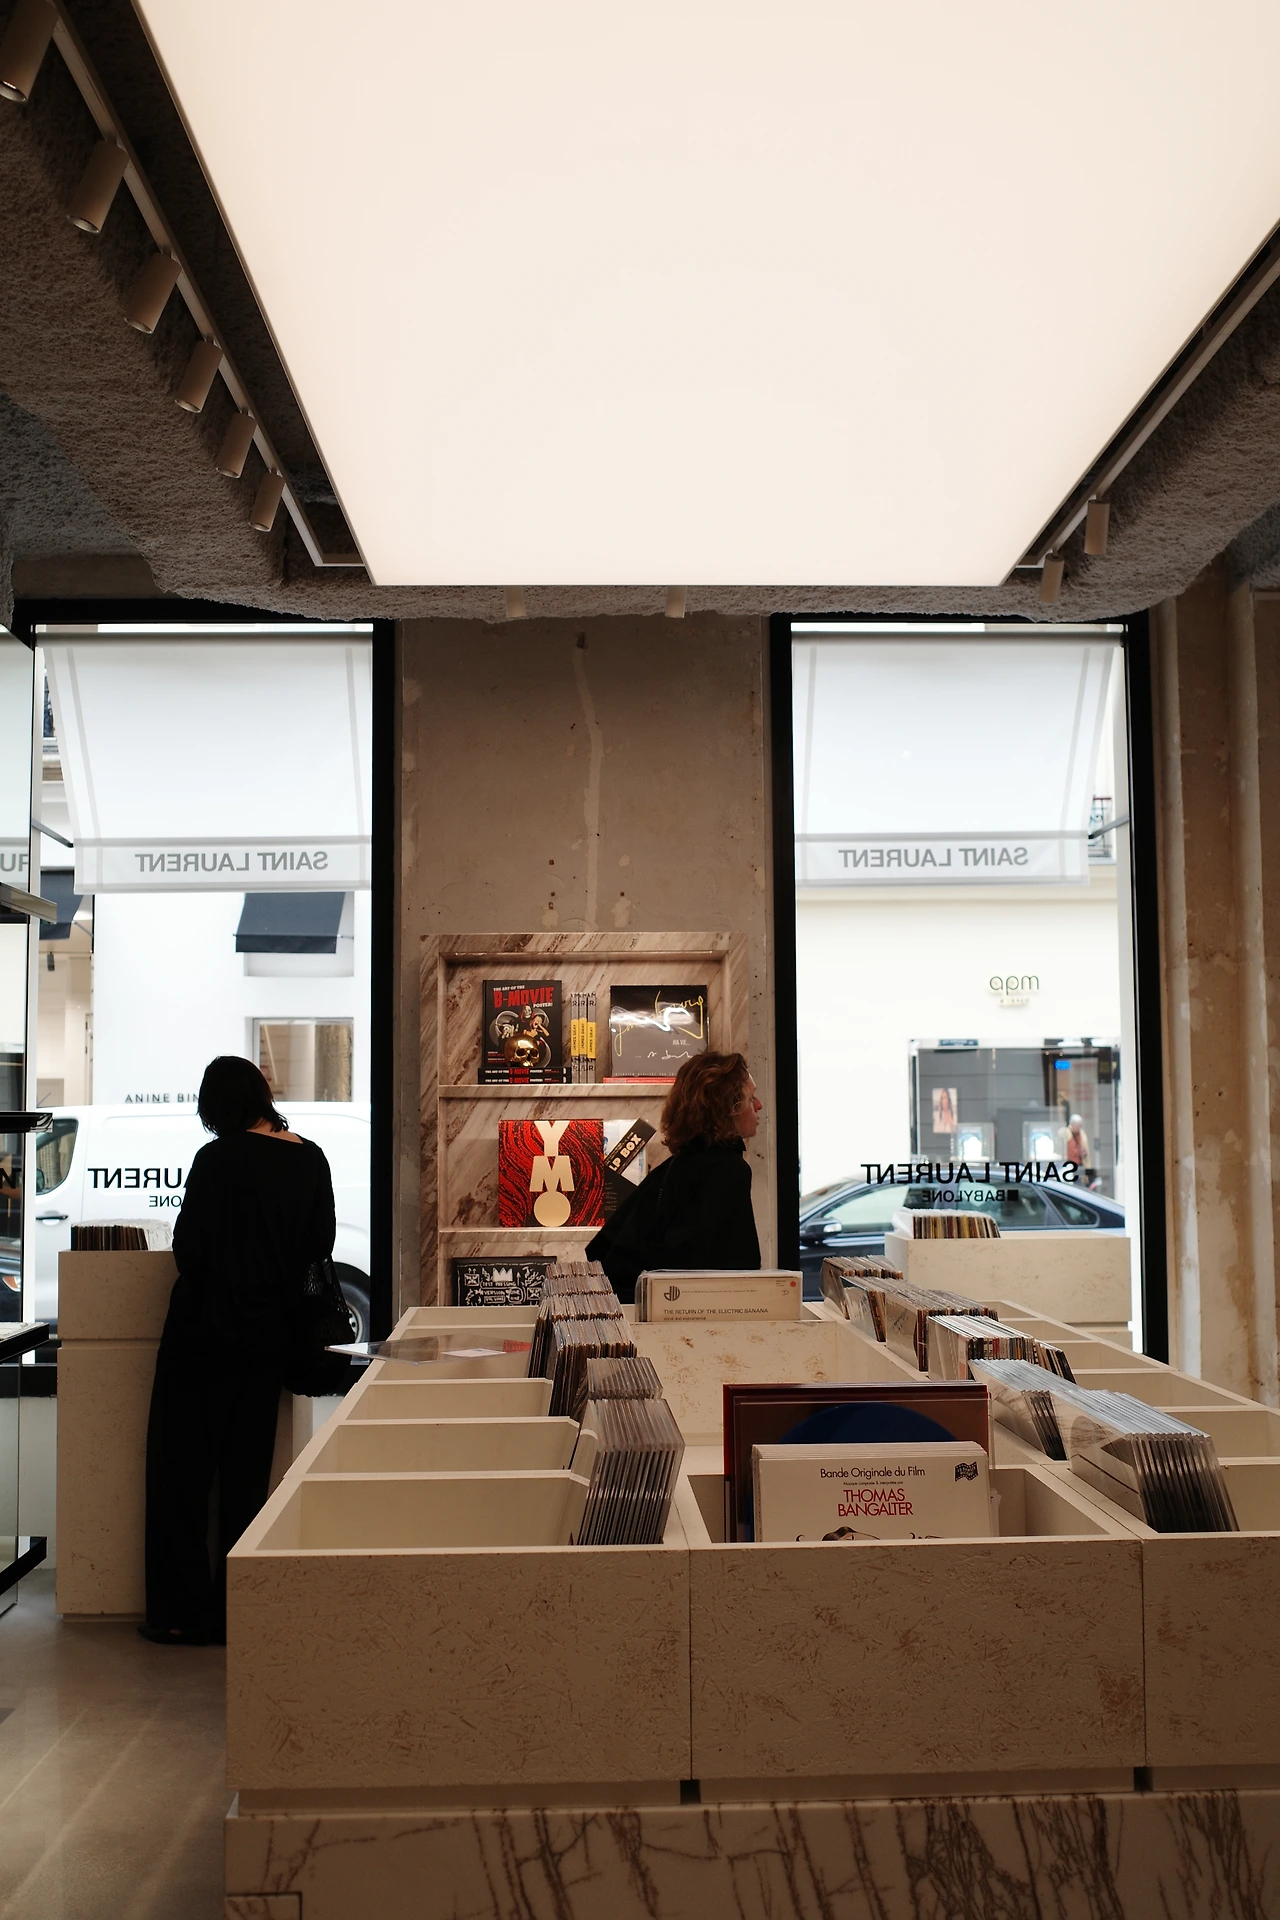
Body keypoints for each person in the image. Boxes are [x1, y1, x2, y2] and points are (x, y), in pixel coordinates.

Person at [140, 1055, 339, 1645]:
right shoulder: (310, 1158)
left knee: (180, 1478)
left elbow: (189, 1251)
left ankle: (182, 1614)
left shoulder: (216, 1159)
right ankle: (238, 1612)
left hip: (200, 1337)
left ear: (217, 1107)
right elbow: (319, 1244)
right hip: (268, 1339)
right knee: (247, 1481)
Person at [586, 1050, 763, 1302]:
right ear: (728, 1107)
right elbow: (733, 1277)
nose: (759, 1105)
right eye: (751, 1098)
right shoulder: (727, 1169)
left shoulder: (680, 1163)